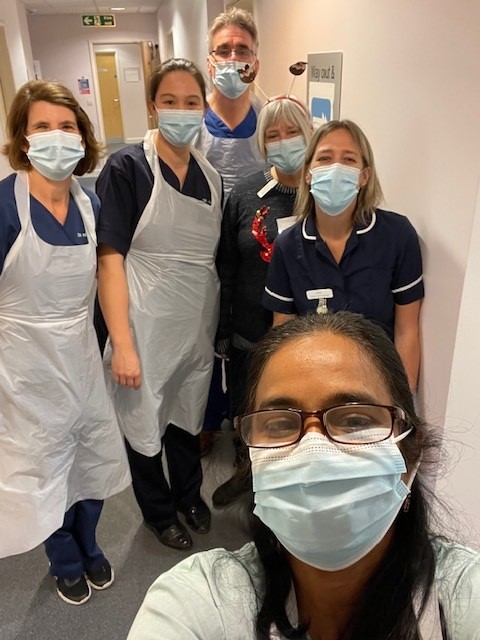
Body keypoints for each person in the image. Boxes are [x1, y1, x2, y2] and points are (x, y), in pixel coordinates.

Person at [127, 312, 480, 639]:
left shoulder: (462, 599)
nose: (314, 451)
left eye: (355, 419)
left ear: (410, 452)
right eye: (280, 423)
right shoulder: (199, 603)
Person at [0, 80, 130, 606]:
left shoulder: (90, 202)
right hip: (21, 362)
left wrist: (123, 344)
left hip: (78, 354)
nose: (57, 136)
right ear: (22, 139)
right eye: (42, 126)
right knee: (42, 466)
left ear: (84, 137)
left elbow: (107, 271)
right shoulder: (5, 207)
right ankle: (66, 558)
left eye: (68, 126)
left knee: (91, 456)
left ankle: (89, 539)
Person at [95, 58, 222, 552]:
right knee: (144, 419)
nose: (181, 111)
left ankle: (190, 495)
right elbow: (110, 260)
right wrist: (121, 342)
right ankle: (158, 510)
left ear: (203, 108)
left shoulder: (210, 176)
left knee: (186, 415)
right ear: (153, 105)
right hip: (143, 322)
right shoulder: (127, 168)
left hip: (194, 323)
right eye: (169, 101)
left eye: (191, 102)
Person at [263, 119, 424, 390]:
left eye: (348, 159)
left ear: (364, 176)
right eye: (324, 158)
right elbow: (283, 334)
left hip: (376, 385)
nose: (335, 168)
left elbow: (406, 331)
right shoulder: (289, 245)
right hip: (312, 384)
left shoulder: (397, 236)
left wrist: (401, 405)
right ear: (308, 173)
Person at [212, 96, 313, 506]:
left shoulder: (324, 191)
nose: (283, 141)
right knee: (249, 415)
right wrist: (223, 330)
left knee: (297, 417)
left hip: (306, 336)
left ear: (309, 134)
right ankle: (247, 475)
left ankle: (289, 494)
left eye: (292, 132)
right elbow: (227, 268)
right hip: (250, 334)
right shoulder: (246, 194)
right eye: (273, 135)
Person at [196, 7, 267, 445]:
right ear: (209, 61)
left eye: (242, 49)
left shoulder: (270, 121)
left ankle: (251, 425)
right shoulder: (191, 122)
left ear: (255, 61)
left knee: (247, 341)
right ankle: (204, 418)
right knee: (202, 331)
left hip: (252, 250)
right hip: (201, 248)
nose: (233, 57)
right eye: (224, 50)